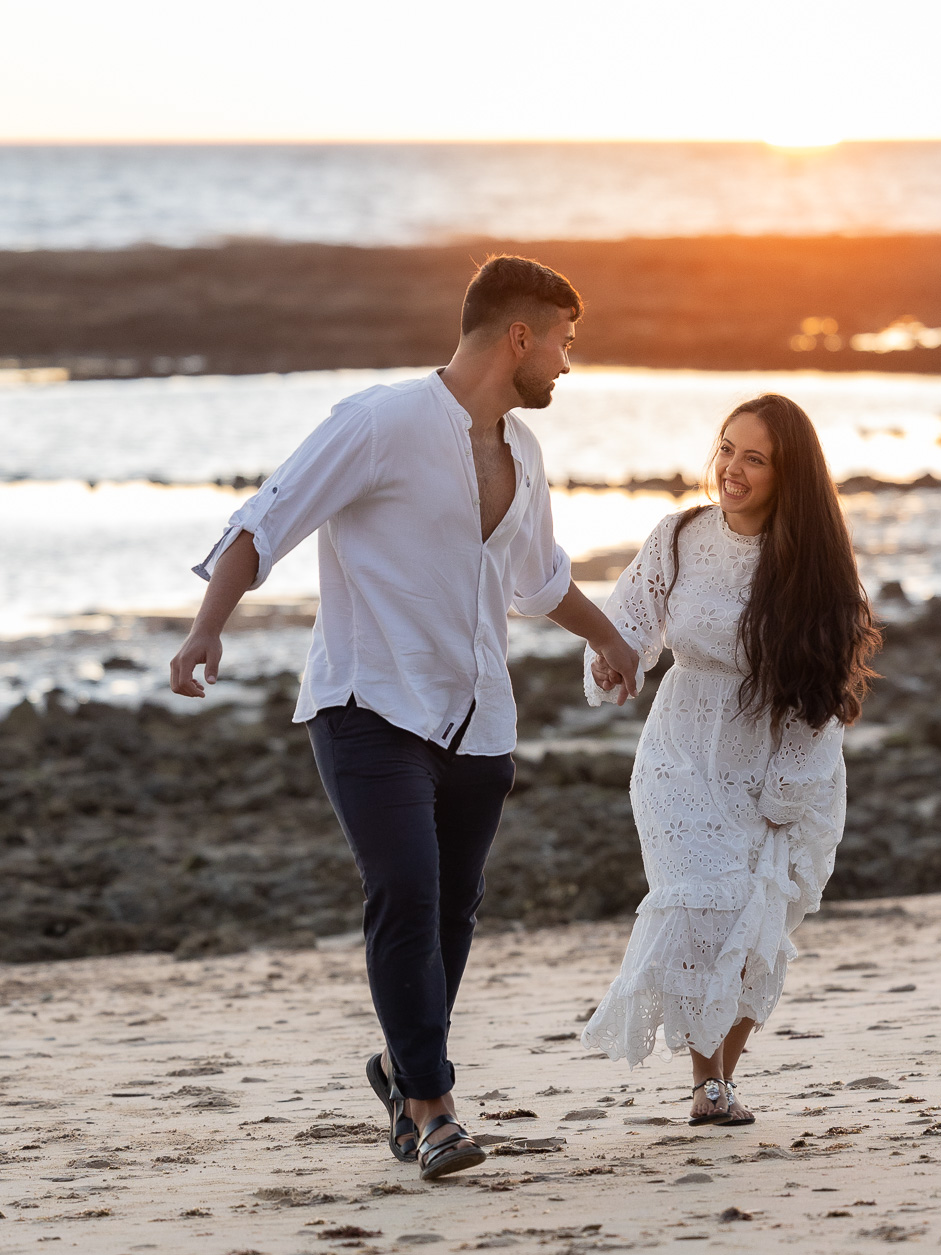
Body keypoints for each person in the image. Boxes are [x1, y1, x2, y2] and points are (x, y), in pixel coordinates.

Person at [170, 256, 640, 1180]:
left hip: (478, 721)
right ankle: (432, 1110)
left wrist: (609, 638)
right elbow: (264, 523)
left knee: (451, 916)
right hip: (368, 704)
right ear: (520, 336)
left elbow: (537, 576)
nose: (567, 366)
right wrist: (204, 633)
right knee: (407, 897)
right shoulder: (379, 423)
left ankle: (397, 1068)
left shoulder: (522, 451)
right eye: (564, 343)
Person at [582, 393, 880, 1124]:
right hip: (679, 752)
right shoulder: (679, 536)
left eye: (754, 458)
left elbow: (818, 702)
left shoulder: (814, 570)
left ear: (789, 476)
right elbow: (628, 625)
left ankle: (718, 1082)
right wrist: (611, 664)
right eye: (725, 449)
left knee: (758, 917)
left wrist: (784, 795)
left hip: (781, 757)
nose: (731, 470)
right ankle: (704, 1080)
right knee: (699, 902)